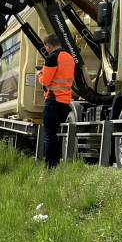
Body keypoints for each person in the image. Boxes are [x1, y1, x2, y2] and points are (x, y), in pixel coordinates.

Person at [37, 34, 75, 168]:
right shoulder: (69, 57)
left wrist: (39, 74)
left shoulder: (52, 57)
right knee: (58, 135)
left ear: (48, 45)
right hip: (65, 102)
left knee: (49, 135)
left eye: (46, 47)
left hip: (53, 101)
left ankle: (51, 165)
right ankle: (58, 162)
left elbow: (45, 81)